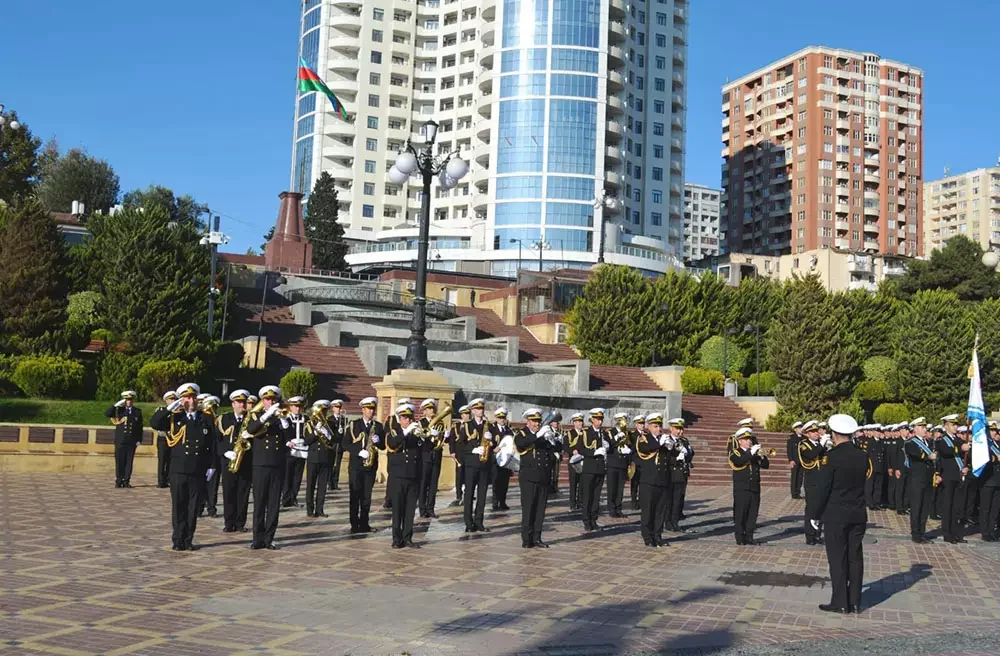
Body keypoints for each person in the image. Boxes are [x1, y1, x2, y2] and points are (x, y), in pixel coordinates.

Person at [808, 414, 868, 614]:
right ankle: (855, 601)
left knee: (837, 557)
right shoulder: (862, 455)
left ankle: (840, 602)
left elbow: (823, 488)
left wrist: (815, 514)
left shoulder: (831, 457)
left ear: (834, 434)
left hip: (836, 514)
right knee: (855, 557)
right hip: (858, 512)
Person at [150, 383, 217, 551]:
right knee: (179, 506)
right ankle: (177, 539)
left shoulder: (206, 418)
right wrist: (171, 407)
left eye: (193, 397)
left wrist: (212, 466)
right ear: (182, 399)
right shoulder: (175, 417)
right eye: (187, 397)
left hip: (198, 470)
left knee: (193, 507)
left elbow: (213, 444)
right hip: (178, 470)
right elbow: (155, 423)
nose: (191, 400)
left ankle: (188, 539)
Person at [244, 385, 292, 550]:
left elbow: (290, 437)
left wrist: (284, 421)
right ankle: (257, 539)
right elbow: (251, 429)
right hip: (260, 465)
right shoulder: (255, 415)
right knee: (259, 504)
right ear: (262, 401)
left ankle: (269, 538)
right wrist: (266, 416)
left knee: (273, 505)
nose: (270, 402)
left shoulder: (282, 417)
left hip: (277, 465)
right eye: (267, 399)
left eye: (273, 399)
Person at [514, 408, 559, 548]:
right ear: (528, 421)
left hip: (543, 477)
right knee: (528, 508)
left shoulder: (543, 435)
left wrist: (553, 442)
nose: (537, 424)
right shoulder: (521, 434)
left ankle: (537, 537)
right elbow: (521, 444)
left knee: (540, 510)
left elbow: (553, 453)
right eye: (534, 421)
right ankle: (527, 539)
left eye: (539, 421)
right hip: (528, 477)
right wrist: (538, 435)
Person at [343, 397, 384, 534]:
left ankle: (365, 523)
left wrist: (378, 442)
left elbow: (383, 445)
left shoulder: (378, 426)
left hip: (370, 467)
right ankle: (354, 524)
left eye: (373, 409)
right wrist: (358, 451)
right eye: (368, 409)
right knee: (355, 495)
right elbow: (345, 443)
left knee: (367, 497)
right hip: (356, 466)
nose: (371, 411)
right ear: (363, 410)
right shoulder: (354, 424)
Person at [386, 403, 422, 548]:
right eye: (403, 417)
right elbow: (393, 444)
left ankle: (407, 537)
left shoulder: (415, 434)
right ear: (399, 419)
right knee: (398, 509)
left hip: (412, 476)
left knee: (410, 509)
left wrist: (430, 437)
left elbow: (422, 450)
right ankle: (396, 539)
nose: (406, 420)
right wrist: (406, 433)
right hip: (398, 476)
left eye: (408, 417)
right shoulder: (393, 433)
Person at [635, 413, 672, 547]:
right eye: (655, 426)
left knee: (660, 511)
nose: (658, 429)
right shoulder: (643, 438)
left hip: (662, 480)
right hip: (649, 481)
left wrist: (672, 447)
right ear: (649, 427)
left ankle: (658, 535)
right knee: (648, 510)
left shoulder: (663, 439)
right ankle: (647, 537)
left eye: (659, 426)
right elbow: (644, 449)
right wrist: (659, 444)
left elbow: (668, 459)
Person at [218, 389, 252, 533]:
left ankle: (240, 523)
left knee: (243, 494)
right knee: (229, 493)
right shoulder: (223, 419)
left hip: (245, 462)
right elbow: (217, 440)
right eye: (238, 402)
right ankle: (229, 522)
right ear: (233, 404)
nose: (241, 405)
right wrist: (225, 452)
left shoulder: (250, 419)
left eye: (243, 402)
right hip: (229, 462)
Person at [730, 427, 769, 546]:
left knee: (752, 514)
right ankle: (740, 538)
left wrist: (762, 456)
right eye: (746, 439)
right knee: (741, 513)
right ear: (740, 441)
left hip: (754, 487)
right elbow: (739, 461)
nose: (749, 441)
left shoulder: (754, 452)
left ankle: (749, 537)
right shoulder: (735, 452)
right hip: (742, 488)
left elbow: (766, 466)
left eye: (750, 439)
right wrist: (751, 453)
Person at [461, 398, 494, 533]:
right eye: (478, 409)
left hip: (484, 464)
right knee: (469, 494)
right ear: (473, 411)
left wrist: (491, 440)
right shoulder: (467, 425)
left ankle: (479, 521)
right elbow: (460, 445)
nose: (481, 411)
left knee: (482, 495)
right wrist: (473, 450)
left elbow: (494, 445)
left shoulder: (488, 425)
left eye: (482, 409)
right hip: (471, 465)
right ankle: (469, 523)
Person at [936, 414, 970, 544]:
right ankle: (947, 533)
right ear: (945, 426)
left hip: (958, 476)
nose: (955, 427)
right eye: (952, 424)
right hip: (947, 477)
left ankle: (955, 533)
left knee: (957, 507)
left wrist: (967, 467)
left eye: (956, 424)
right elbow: (945, 451)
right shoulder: (941, 440)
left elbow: (967, 454)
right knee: (948, 505)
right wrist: (961, 448)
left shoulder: (958, 439)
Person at [903, 417, 937, 543]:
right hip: (917, 479)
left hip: (928, 478)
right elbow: (917, 455)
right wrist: (929, 456)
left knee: (925, 507)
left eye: (925, 427)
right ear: (915, 428)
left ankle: (922, 532)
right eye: (922, 427)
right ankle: (916, 534)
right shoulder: (910, 443)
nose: (925, 429)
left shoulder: (929, 442)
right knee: (917, 506)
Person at [798, 420, 829, 545]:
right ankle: (810, 536)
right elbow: (812, 454)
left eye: (817, 431)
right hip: (812, 481)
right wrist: (822, 444)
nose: (816, 433)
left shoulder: (821, 445)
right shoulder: (803, 445)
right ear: (807, 434)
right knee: (811, 508)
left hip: (822, 480)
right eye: (813, 432)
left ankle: (817, 534)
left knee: (821, 509)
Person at [579, 408, 609, 531]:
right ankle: (586, 521)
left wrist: (609, 445)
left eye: (601, 419)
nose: (600, 422)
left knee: (596, 497)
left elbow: (609, 447)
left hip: (600, 469)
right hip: (589, 469)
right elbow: (580, 448)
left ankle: (593, 519)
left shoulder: (604, 433)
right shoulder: (586, 432)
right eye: (597, 419)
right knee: (587, 496)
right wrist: (594, 452)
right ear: (592, 419)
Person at [106, 390, 144, 489]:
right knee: (119, 461)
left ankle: (127, 481)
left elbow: (140, 427)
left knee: (129, 462)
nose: (129, 401)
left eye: (130, 399)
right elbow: (108, 414)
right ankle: (119, 480)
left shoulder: (137, 411)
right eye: (127, 400)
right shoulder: (119, 410)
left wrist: (139, 439)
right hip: (120, 441)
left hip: (131, 441)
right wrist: (116, 405)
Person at [304, 400, 335, 518]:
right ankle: (310, 509)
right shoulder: (309, 424)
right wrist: (316, 432)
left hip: (325, 458)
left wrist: (326, 432)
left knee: (322, 486)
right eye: (321, 411)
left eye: (325, 411)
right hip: (313, 458)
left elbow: (334, 439)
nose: (323, 413)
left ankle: (320, 509)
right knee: (311, 485)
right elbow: (307, 441)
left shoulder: (330, 424)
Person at [418, 398, 445, 518]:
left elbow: (442, 440)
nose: (432, 410)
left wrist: (443, 435)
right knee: (423, 483)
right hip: (425, 455)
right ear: (424, 411)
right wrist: (429, 435)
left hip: (436, 455)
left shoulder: (440, 422)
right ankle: (422, 509)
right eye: (429, 409)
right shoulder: (421, 423)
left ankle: (431, 508)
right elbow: (420, 440)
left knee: (434, 484)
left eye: (433, 408)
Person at [666, 418, 694, 532]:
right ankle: (667, 522)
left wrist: (687, 454)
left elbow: (691, 454)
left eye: (681, 429)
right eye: (677, 429)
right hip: (670, 473)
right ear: (671, 428)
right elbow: (665, 456)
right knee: (669, 500)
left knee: (678, 500)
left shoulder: (685, 441)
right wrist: (675, 458)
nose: (680, 431)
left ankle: (675, 522)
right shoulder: (667, 440)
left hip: (681, 474)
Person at [281, 396, 308, 508]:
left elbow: (308, 432)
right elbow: (282, 434)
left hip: (302, 450)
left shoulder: (306, 418)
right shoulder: (285, 419)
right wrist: (287, 442)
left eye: (299, 406)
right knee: (288, 475)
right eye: (295, 406)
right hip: (289, 451)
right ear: (290, 407)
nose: (297, 409)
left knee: (298, 476)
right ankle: (286, 499)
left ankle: (293, 498)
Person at [199, 395, 222, 518]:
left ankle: (211, 508)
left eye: (214, 407)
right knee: (201, 484)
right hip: (203, 458)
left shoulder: (217, 420)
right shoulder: (201, 418)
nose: (213, 410)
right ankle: (199, 507)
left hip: (214, 458)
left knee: (213, 485)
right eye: (211, 407)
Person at [605, 412, 632, 518]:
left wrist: (629, 458)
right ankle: (611, 509)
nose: (623, 423)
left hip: (622, 464)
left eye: (625, 421)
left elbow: (631, 446)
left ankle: (618, 508)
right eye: (621, 421)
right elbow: (608, 446)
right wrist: (616, 437)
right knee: (612, 488)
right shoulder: (610, 432)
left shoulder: (627, 433)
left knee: (620, 488)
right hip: (612, 463)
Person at [490, 407, 514, 511]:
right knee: (496, 482)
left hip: (506, 461)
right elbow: (488, 442)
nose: (502, 420)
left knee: (505, 483)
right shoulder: (492, 429)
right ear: (496, 418)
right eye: (500, 418)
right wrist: (493, 448)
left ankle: (502, 502)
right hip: (496, 460)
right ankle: (495, 503)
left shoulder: (509, 430)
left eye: (503, 417)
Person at [980, 423, 1000, 541]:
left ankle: (992, 530)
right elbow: (983, 459)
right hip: (988, 480)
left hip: (997, 480)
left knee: (995, 508)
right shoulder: (983, 445)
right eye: (991, 431)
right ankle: (985, 531)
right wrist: (995, 458)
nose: (994, 433)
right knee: (986, 507)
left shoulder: (997, 444)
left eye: (995, 431)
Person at [449, 404, 470, 506]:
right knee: (459, 474)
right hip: (459, 453)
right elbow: (452, 439)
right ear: (461, 415)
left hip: (469, 453)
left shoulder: (471, 425)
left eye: (468, 414)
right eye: (465, 414)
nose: (467, 416)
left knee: (468, 474)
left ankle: (468, 493)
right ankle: (458, 494)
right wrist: (452, 451)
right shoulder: (456, 425)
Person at [154, 391, 177, 488]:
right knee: (162, 460)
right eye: (170, 399)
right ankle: (161, 481)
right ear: (166, 401)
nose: (172, 401)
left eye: (174, 399)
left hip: (174, 439)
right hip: (163, 438)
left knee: (171, 460)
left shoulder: (177, 412)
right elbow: (157, 422)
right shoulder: (161, 410)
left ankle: (168, 479)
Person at [565, 412, 585, 511]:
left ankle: (580, 502)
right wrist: (572, 451)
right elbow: (565, 446)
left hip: (582, 461)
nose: (580, 424)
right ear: (574, 423)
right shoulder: (569, 433)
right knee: (573, 484)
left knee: (582, 483)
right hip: (573, 462)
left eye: (581, 421)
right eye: (578, 422)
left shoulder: (585, 433)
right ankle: (572, 504)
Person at [329, 399, 347, 490]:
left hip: (340, 445)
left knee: (338, 464)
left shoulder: (343, 419)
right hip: (332, 445)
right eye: (336, 407)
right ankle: (330, 483)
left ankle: (335, 482)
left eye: (340, 407)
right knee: (331, 463)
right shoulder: (330, 419)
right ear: (333, 408)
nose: (339, 409)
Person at [630, 414, 646, 510]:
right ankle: (633, 501)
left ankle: (641, 501)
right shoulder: (632, 435)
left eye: (643, 423)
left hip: (644, 463)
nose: (642, 425)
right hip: (636, 462)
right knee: (635, 483)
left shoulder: (646, 435)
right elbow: (632, 448)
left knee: (643, 483)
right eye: (640, 423)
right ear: (636, 425)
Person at [547, 413, 564, 496]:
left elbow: (561, 444)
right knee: (549, 472)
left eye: (557, 422)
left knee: (556, 473)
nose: (556, 424)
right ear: (551, 423)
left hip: (558, 455)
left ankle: (555, 487)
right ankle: (549, 488)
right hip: (550, 455)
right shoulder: (548, 431)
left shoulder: (560, 431)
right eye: (555, 422)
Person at [786, 421, 804, 499]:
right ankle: (794, 493)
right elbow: (789, 450)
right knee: (794, 477)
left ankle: (798, 492)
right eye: (799, 428)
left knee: (800, 476)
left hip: (802, 460)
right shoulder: (791, 438)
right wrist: (791, 460)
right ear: (795, 429)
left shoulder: (804, 438)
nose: (801, 429)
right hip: (795, 460)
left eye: (801, 428)